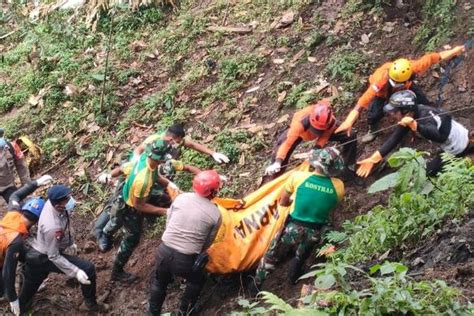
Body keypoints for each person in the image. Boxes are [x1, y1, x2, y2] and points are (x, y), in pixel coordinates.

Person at [251, 147, 345, 295]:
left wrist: (292, 202)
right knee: (301, 256)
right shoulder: (339, 186)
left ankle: (255, 288)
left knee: (271, 256)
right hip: (315, 231)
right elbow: (331, 206)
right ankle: (292, 283)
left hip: (292, 228)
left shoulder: (298, 177)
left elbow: (283, 202)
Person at [335, 45, 467, 143]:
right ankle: (373, 129)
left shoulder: (411, 67)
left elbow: (434, 58)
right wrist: (349, 121)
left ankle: (427, 121)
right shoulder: (380, 81)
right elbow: (362, 102)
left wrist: (454, 50)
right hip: (382, 94)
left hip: (407, 87)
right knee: (375, 114)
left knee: (422, 101)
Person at [19, 184, 109, 313]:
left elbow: (63, 227)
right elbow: (53, 256)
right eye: (67, 199)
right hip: (43, 257)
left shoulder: (53, 204)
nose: (71, 200)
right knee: (87, 269)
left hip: (42, 250)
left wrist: (70, 243)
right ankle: (90, 304)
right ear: (58, 205)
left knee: (31, 284)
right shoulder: (52, 226)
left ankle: (20, 305)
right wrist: (75, 272)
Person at [148, 170, 222, 315]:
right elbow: (207, 242)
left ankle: (153, 312)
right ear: (213, 191)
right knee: (196, 281)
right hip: (186, 259)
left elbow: (169, 222)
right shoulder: (215, 214)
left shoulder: (181, 198)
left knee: (159, 282)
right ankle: (184, 311)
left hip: (164, 251)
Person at [94, 153, 201, 253]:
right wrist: (109, 175)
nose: (162, 164)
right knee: (117, 219)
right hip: (131, 197)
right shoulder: (141, 167)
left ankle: (150, 216)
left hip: (153, 194)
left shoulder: (170, 164)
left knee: (167, 201)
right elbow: (121, 170)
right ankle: (105, 234)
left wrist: (202, 175)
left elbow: (187, 167)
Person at [356, 90, 473, 177]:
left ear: (406, 111)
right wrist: (374, 158)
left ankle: (467, 159)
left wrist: (416, 126)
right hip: (451, 141)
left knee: (429, 172)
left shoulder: (425, 116)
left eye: (394, 111)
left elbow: (435, 134)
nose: (391, 114)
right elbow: (394, 139)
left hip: (457, 146)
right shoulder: (412, 115)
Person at [108, 140, 179, 283]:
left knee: (164, 197)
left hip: (134, 195)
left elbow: (125, 169)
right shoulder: (143, 180)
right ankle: (117, 271)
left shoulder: (144, 160)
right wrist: (165, 212)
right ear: (159, 160)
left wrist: (170, 185)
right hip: (131, 209)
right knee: (131, 239)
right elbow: (139, 205)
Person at [0, 175, 52, 316]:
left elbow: (15, 195)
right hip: (4, 251)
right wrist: (12, 297)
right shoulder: (15, 241)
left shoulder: (13, 212)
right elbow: (8, 271)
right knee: (3, 281)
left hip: (4, 245)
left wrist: (36, 183)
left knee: (25, 253)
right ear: (36, 221)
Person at [264, 100, 356, 178]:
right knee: (280, 147)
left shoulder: (330, 121)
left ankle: (346, 168)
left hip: (324, 130)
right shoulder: (300, 123)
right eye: (315, 129)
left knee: (349, 134)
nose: (316, 133)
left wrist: (317, 148)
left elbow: (325, 135)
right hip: (301, 133)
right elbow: (288, 143)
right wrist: (278, 161)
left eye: (319, 130)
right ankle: (275, 177)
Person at [132, 123, 230, 164]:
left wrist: (213, 153)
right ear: (171, 138)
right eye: (177, 141)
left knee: (175, 150)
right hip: (147, 161)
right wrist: (136, 161)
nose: (177, 143)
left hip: (163, 161)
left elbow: (192, 145)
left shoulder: (175, 141)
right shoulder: (154, 139)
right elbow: (138, 149)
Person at [0, 129, 31, 203]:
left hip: (6, 185)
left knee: (18, 205)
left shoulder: (12, 147)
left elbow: (22, 168)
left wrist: (27, 188)